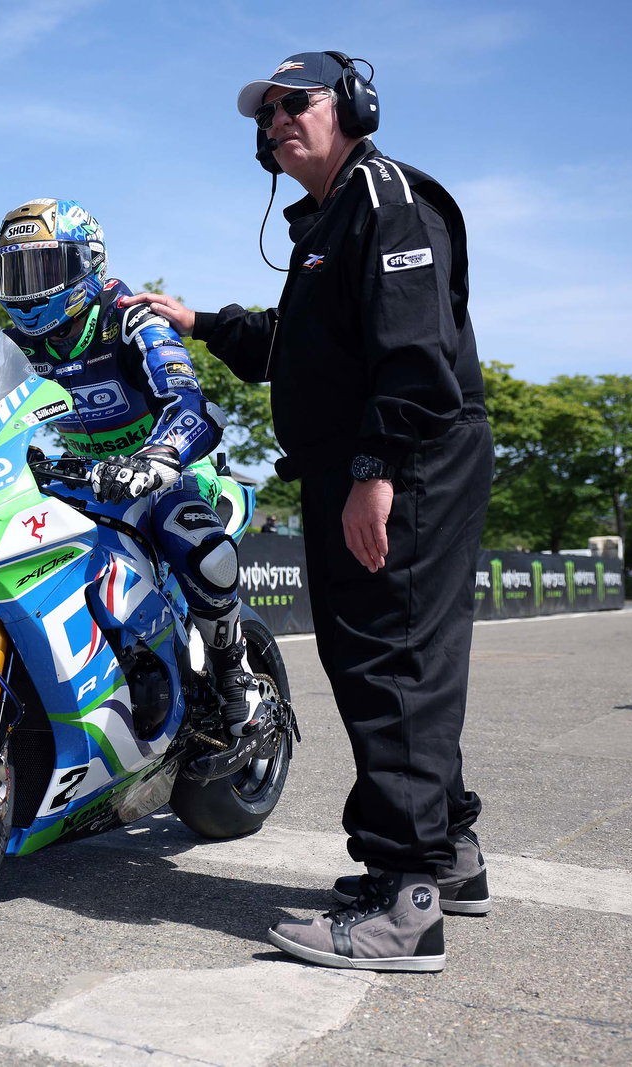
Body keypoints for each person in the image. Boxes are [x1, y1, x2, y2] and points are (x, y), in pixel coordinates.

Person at [121, 52, 492, 972]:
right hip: (370, 464)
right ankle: (448, 854)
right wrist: (199, 321)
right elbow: (301, 346)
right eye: (268, 114)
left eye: (298, 104)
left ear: (355, 106)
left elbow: (414, 353)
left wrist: (376, 470)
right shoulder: (329, 219)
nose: (278, 121)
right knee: (400, 655)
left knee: (388, 661)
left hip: (401, 466)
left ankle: (406, 902)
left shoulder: (386, 197)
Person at [0, 197, 260, 737]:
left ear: (87, 264)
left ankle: (235, 672)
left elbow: (189, 403)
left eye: (44, 267)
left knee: (190, 538)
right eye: (14, 270)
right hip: (82, 479)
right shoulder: (11, 344)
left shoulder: (131, 319)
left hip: (166, 467)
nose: (27, 285)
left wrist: (157, 456)